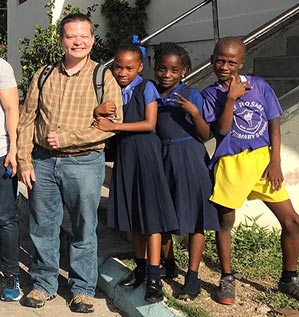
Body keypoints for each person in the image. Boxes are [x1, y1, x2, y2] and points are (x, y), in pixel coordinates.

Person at [17, 13, 123, 313]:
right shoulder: (45, 74)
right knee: (43, 226)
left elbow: (113, 123)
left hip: (85, 163)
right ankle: (44, 283)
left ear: (92, 39)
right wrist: (25, 160)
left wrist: (69, 138)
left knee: (84, 228)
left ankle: (82, 289)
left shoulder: (103, 77)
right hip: (43, 163)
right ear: (62, 40)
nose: (78, 41)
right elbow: (27, 121)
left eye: (84, 36)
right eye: (71, 36)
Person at [202, 36, 299, 305]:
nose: (225, 66)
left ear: (241, 63)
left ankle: (289, 277)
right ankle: (227, 277)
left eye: (231, 62)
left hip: (262, 161)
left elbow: (274, 124)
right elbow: (220, 130)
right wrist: (231, 99)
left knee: (292, 221)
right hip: (231, 163)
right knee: (226, 222)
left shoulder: (259, 86)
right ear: (212, 61)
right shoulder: (209, 95)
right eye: (220, 60)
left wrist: (275, 161)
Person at [93, 43, 179, 303]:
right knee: (134, 218)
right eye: (118, 67)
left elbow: (150, 123)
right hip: (126, 158)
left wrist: (115, 125)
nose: (122, 72)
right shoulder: (115, 92)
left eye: (129, 68)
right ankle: (141, 268)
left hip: (146, 157)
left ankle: (154, 276)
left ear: (140, 67)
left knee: (150, 218)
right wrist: (98, 112)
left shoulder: (146, 88)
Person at [153, 42, 219, 300]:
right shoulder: (151, 94)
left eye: (174, 70)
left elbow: (204, 135)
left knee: (196, 220)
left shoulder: (192, 95)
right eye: (162, 69)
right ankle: (167, 264)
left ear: (184, 71)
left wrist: (194, 113)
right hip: (162, 158)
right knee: (163, 215)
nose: (167, 74)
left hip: (190, 159)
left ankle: (192, 276)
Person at [0, 58, 20, 301]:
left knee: (4, 218)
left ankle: (10, 274)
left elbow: (12, 108)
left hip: (1, 151)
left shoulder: (1, 67)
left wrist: (14, 148)